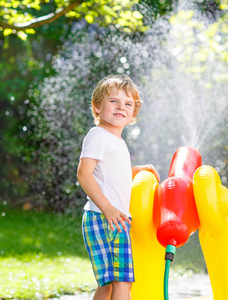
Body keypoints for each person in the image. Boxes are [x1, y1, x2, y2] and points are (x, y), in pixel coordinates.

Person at [77, 74, 160, 300]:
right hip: (104, 216)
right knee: (120, 282)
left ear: (133, 113)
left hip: (113, 218)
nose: (121, 107)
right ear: (97, 106)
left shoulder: (116, 141)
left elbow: (110, 173)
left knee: (111, 284)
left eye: (128, 104)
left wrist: (137, 170)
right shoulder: (98, 135)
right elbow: (84, 174)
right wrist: (108, 208)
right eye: (114, 101)